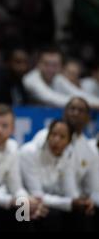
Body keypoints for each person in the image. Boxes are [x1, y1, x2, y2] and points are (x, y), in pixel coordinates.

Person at [32, 97, 99, 229]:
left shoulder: (90, 151)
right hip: (38, 196)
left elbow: (92, 188)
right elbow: (34, 187)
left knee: (87, 211)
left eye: (80, 110)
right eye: (72, 109)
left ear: (88, 118)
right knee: (38, 213)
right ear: (64, 112)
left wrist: (88, 202)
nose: (75, 113)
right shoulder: (42, 138)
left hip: (69, 200)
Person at [20, 119, 94, 231]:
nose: (56, 140)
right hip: (22, 200)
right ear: (48, 135)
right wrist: (70, 203)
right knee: (35, 211)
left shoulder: (67, 155)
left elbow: (70, 190)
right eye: (53, 134)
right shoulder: (29, 152)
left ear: (69, 142)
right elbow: (37, 194)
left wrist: (82, 203)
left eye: (62, 137)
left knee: (84, 212)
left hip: (46, 200)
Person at [23, 46, 99, 109]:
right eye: (46, 64)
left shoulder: (58, 78)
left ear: (61, 67)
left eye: (55, 65)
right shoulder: (31, 80)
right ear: (38, 64)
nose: (50, 69)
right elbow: (52, 98)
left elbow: (78, 93)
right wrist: (87, 104)